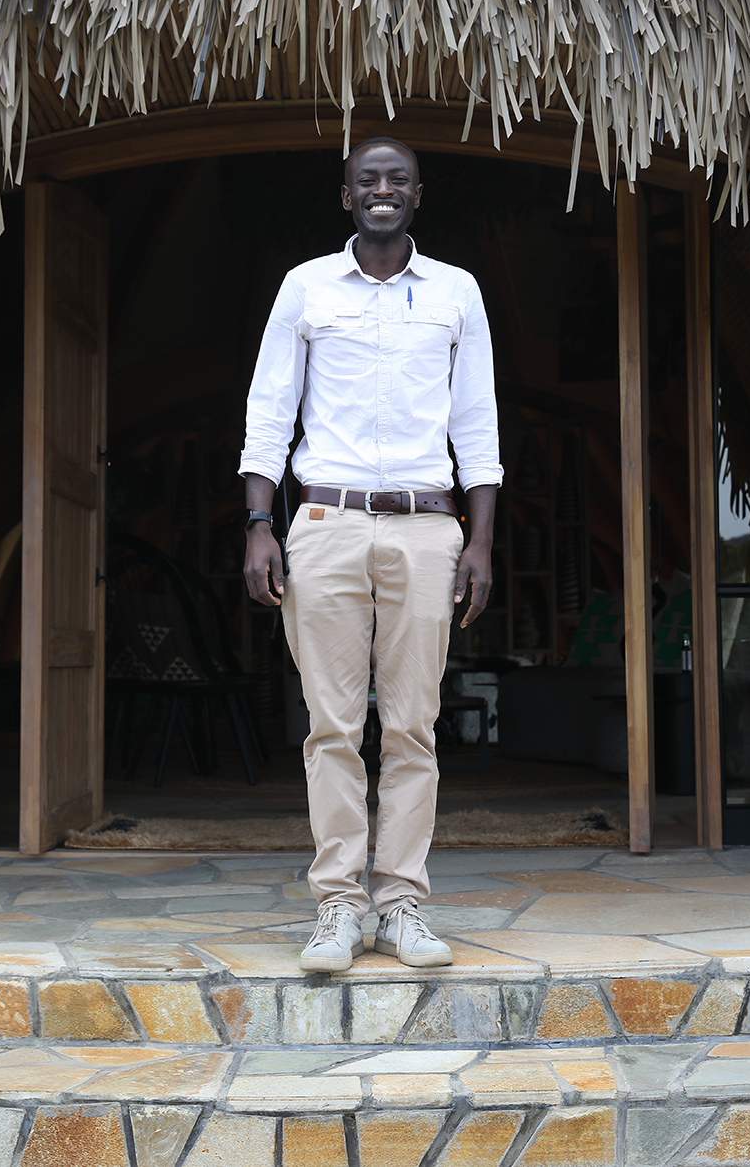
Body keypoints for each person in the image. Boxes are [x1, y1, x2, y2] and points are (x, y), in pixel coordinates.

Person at [238, 137, 501, 971]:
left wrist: (480, 541)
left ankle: (401, 904)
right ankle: (340, 906)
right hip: (326, 523)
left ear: (417, 194)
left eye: (396, 179)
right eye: (367, 180)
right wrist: (258, 523)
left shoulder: (457, 292)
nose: (381, 190)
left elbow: (478, 424)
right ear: (345, 194)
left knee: (415, 725)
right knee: (333, 727)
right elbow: (270, 408)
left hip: (428, 527)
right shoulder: (305, 287)